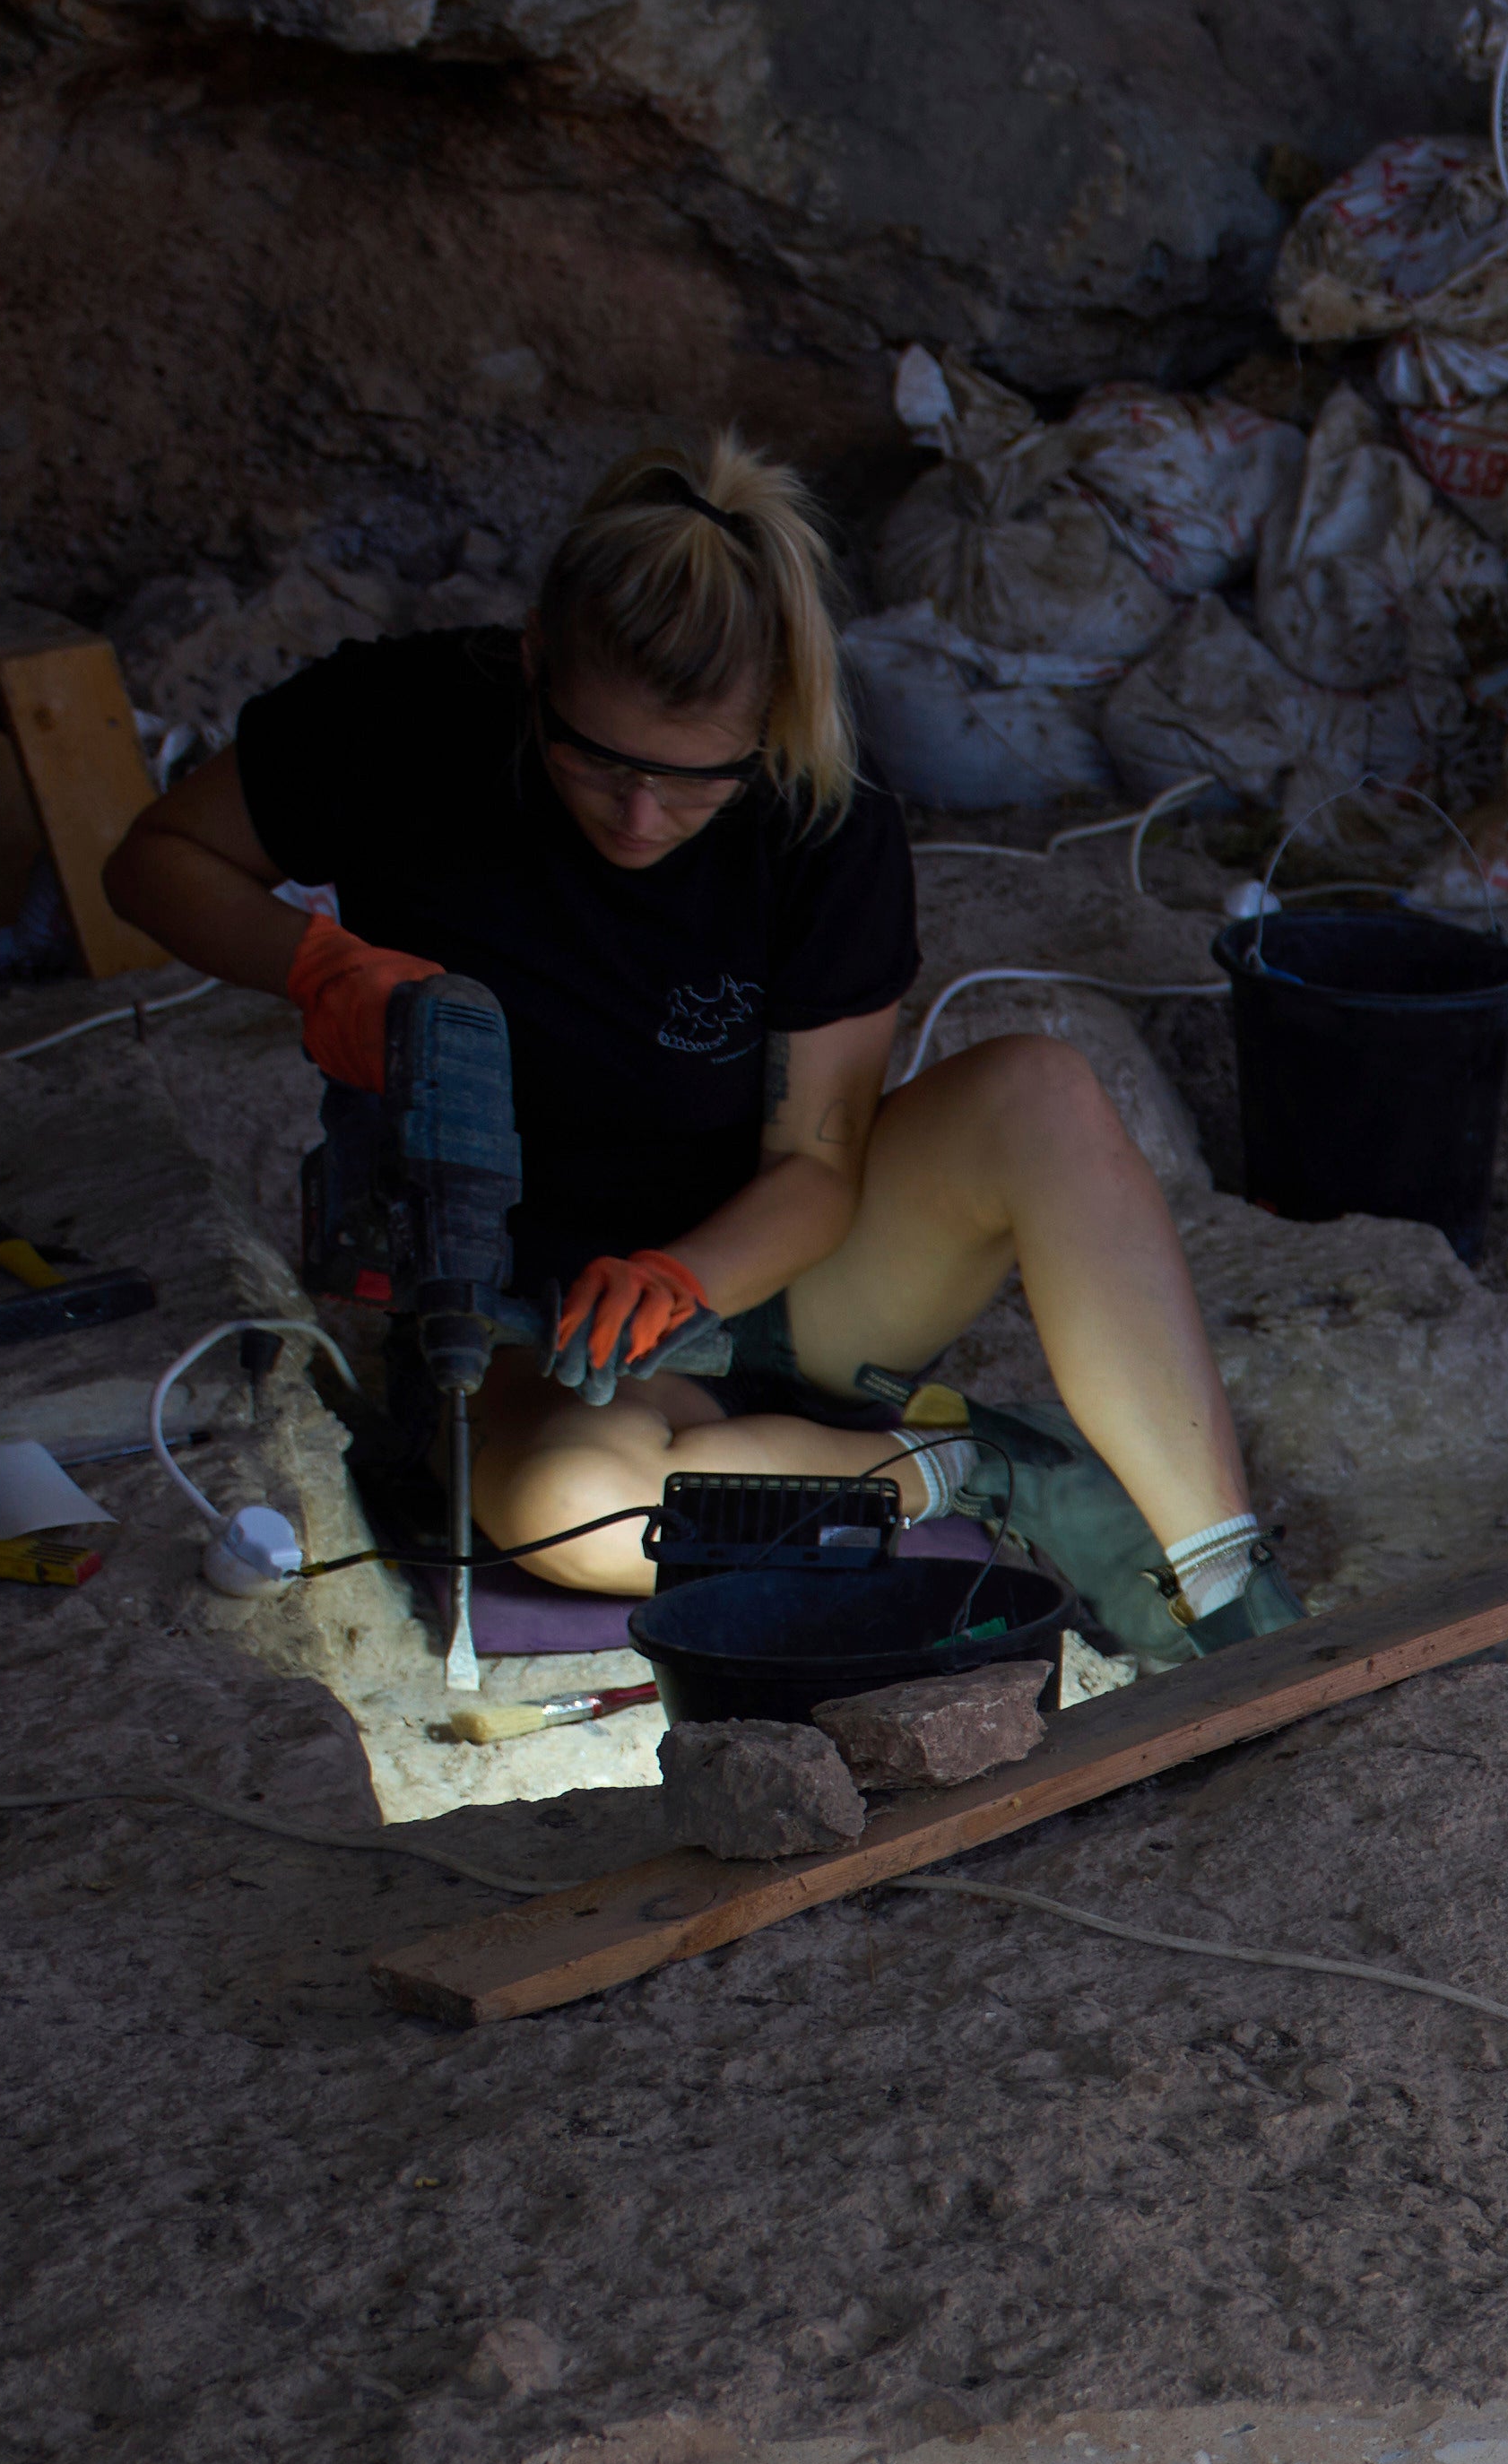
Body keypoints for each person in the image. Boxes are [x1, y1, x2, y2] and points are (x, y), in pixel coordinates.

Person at [101, 438, 1294, 1663]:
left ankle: (1225, 1586)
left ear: (764, 730)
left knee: (1039, 1090)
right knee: (572, 1515)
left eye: (692, 783)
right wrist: (316, 965)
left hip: (789, 1279)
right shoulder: (401, 724)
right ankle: (985, 1473)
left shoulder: (820, 805)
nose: (637, 816)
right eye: (598, 761)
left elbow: (819, 1170)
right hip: (542, 1328)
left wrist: (686, 1274)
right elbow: (151, 864)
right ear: (534, 668)